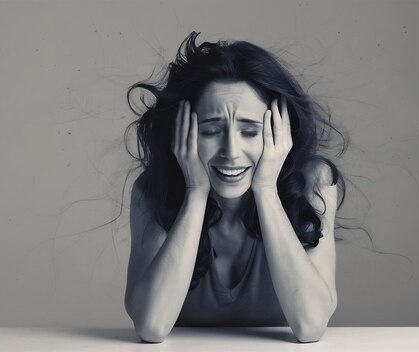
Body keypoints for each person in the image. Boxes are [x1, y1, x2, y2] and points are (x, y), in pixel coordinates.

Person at [124, 32, 346, 343]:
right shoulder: (151, 190)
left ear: (280, 133)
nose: (231, 150)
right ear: (184, 133)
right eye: (212, 130)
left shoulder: (315, 182)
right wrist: (195, 192)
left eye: (250, 131)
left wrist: (266, 188)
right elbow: (151, 326)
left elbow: (310, 326)